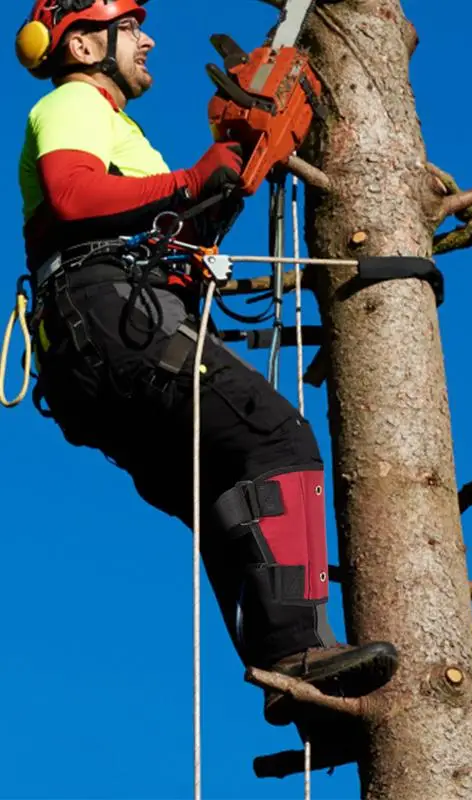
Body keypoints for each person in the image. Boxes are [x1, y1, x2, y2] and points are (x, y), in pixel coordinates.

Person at [15, 0, 398, 746]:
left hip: (96, 344)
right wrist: (193, 179)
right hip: (112, 316)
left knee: (224, 486)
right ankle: (303, 650)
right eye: (130, 28)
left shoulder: (124, 135)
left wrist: (233, 166)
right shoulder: (73, 104)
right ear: (84, 46)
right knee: (276, 440)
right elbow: (72, 193)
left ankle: (297, 686)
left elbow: (164, 221)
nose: (149, 40)